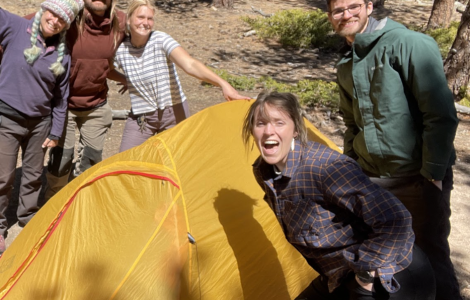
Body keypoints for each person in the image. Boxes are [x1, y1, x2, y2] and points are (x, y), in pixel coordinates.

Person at [326, 0, 460, 298]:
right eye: (338, 10)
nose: (346, 14)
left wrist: (433, 175)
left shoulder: (408, 44)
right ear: (330, 17)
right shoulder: (346, 64)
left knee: (431, 254)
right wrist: (352, 170)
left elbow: (440, 115)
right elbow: (351, 124)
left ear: (370, 6)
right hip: (373, 180)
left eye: (353, 6)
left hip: (417, 178)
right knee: (390, 259)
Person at [242, 92, 434, 299]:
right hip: (340, 274)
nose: (268, 131)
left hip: (391, 274)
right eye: (260, 123)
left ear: (296, 129)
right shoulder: (263, 171)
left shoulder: (327, 167)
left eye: (279, 123)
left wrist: (365, 278)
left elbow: (396, 219)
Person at [0, 0, 80, 254]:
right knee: (4, 176)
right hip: (6, 120)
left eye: (62, 19)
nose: (54, 20)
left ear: (67, 25)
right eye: (53, 13)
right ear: (45, 9)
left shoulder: (63, 54)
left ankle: (28, 218)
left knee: (32, 177)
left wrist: (55, 132)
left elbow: (60, 98)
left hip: (40, 125)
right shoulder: (14, 26)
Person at [114, 0, 248, 152]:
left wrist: (223, 84)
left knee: (177, 163)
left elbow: (189, 64)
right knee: (126, 161)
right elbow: (103, 69)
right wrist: (127, 80)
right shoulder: (121, 49)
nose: (145, 23)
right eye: (141, 17)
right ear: (129, 19)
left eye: (150, 18)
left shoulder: (160, 39)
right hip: (142, 117)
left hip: (173, 113)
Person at [43, 0, 128, 200]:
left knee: (92, 159)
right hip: (64, 105)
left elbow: (107, 63)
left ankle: (82, 205)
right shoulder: (71, 17)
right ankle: (53, 204)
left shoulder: (121, 22)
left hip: (96, 105)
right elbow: (29, 23)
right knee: (62, 160)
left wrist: (131, 79)